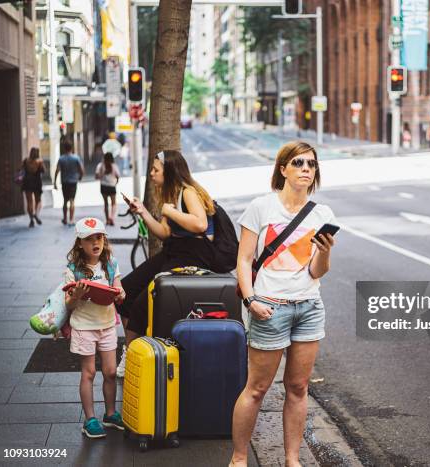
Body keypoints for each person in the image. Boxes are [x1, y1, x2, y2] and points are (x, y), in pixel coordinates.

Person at [230, 141, 336, 467]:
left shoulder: (322, 214)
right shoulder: (262, 207)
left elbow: (317, 270)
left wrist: (327, 251)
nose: (306, 169)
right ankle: (238, 458)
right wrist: (250, 300)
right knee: (257, 389)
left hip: (308, 307)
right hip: (269, 307)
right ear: (283, 168)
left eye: (312, 164)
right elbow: (244, 260)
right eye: (299, 163)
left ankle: (293, 460)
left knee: (299, 387)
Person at [115, 149, 216, 377]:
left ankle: (134, 357)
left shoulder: (188, 192)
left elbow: (200, 224)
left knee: (144, 301)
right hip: (174, 252)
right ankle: (132, 350)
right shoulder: (170, 194)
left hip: (194, 256)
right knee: (124, 291)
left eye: (155, 169)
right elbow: (164, 233)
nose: (151, 174)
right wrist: (142, 211)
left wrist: (169, 210)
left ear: (168, 171)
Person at [64, 217, 125, 438]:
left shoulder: (111, 264)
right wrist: (76, 296)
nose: (95, 242)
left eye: (98, 237)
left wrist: (121, 294)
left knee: (110, 372)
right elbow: (69, 303)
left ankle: (110, 414)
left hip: (107, 325)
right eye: (89, 239)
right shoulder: (73, 269)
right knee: (88, 373)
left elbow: (119, 290)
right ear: (80, 243)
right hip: (84, 327)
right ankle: (89, 419)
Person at [54, 140, 84, 225]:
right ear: (72, 148)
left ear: (64, 148)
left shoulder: (61, 158)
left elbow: (57, 170)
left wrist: (55, 182)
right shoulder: (76, 158)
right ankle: (71, 219)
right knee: (72, 201)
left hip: (64, 182)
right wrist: (80, 177)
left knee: (65, 200)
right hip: (73, 182)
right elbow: (81, 170)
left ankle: (64, 218)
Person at [21, 147, 45, 228]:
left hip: (27, 182)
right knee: (38, 200)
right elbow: (43, 171)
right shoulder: (39, 161)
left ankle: (31, 220)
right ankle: (36, 214)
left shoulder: (25, 161)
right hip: (37, 182)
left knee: (29, 202)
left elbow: (21, 170)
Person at [95, 152, 121, 226]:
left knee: (106, 203)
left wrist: (102, 175)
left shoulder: (100, 166)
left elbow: (96, 176)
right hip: (112, 186)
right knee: (113, 203)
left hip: (103, 186)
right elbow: (118, 176)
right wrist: (116, 183)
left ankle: (107, 220)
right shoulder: (114, 166)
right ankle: (112, 217)